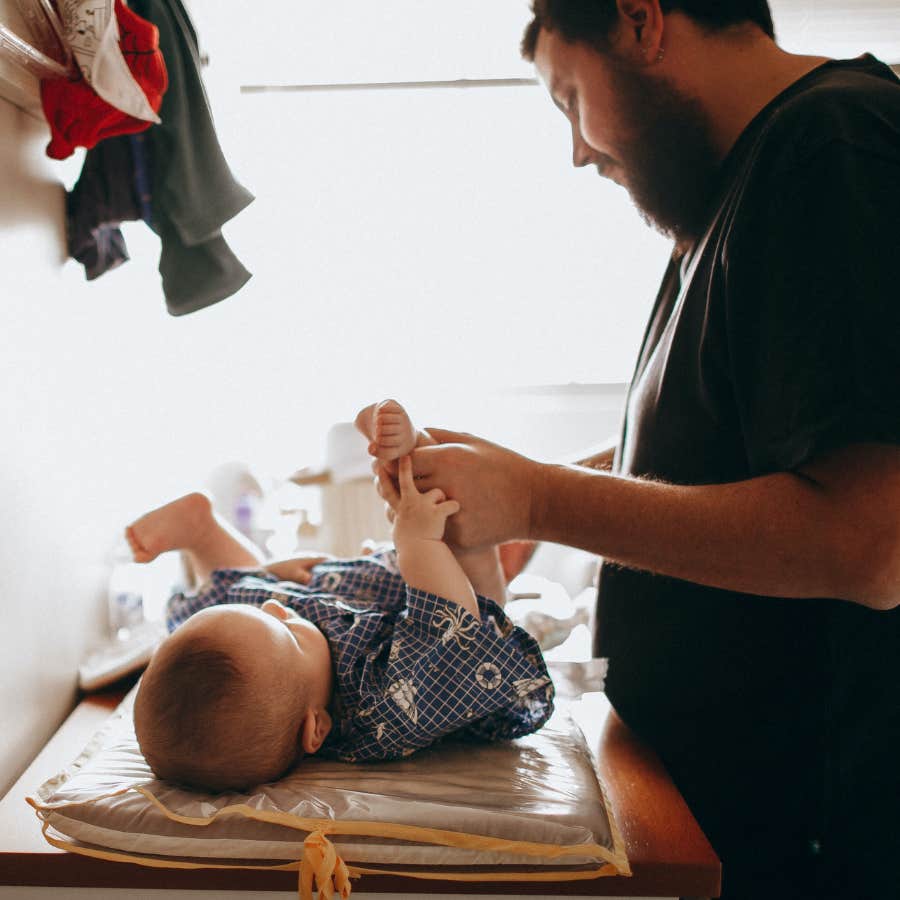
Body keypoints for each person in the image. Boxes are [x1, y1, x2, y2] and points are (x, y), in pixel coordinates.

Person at [372, 3, 900, 898]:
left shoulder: (834, 145)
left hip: (813, 843)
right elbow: (719, 455)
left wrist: (541, 499)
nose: (579, 149)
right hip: (728, 822)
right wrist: (515, 488)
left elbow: (872, 541)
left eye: (569, 97)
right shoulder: (729, 193)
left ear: (641, 21)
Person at [129, 399, 554, 793]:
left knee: (220, 617)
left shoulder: (286, 666)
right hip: (442, 599)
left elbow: (262, 616)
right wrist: (418, 540)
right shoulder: (378, 707)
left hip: (349, 593)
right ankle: (417, 464)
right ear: (316, 728)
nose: (278, 608)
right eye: (286, 630)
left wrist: (270, 578)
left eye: (269, 609)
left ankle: (203, 532)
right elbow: (451, 628)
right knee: (475, 572)